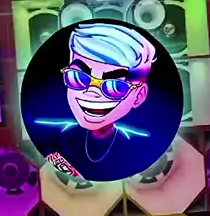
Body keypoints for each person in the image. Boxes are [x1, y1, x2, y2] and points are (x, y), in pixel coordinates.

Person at [33, 22, 157, 182]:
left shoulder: (141, 147)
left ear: (139, 95)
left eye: (114, 86)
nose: (92, 92)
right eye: (78, 77)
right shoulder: (50, 135)